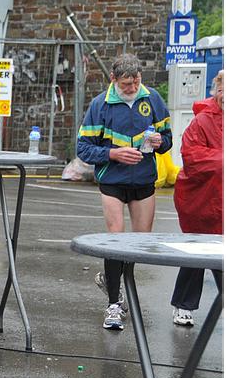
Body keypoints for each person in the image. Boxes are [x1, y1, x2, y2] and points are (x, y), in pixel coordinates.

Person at [77, 53, 172, 331]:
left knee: (138, 245)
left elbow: (167, 140)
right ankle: (114, 305)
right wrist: (114, 154)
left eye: (136, 82)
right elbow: (83, 149)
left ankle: (114, 282)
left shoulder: (152, 98)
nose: (132, 88)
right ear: (114, 79)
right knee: (116, 240)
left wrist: (158, 141)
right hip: (113, 181)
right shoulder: (100, 105)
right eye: (127, 84)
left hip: (143, 180)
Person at [170, 70, 223, 326]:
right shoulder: (202, 121)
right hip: (202, 199)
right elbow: (191, 157)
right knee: (199, 253)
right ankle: (183, 305)